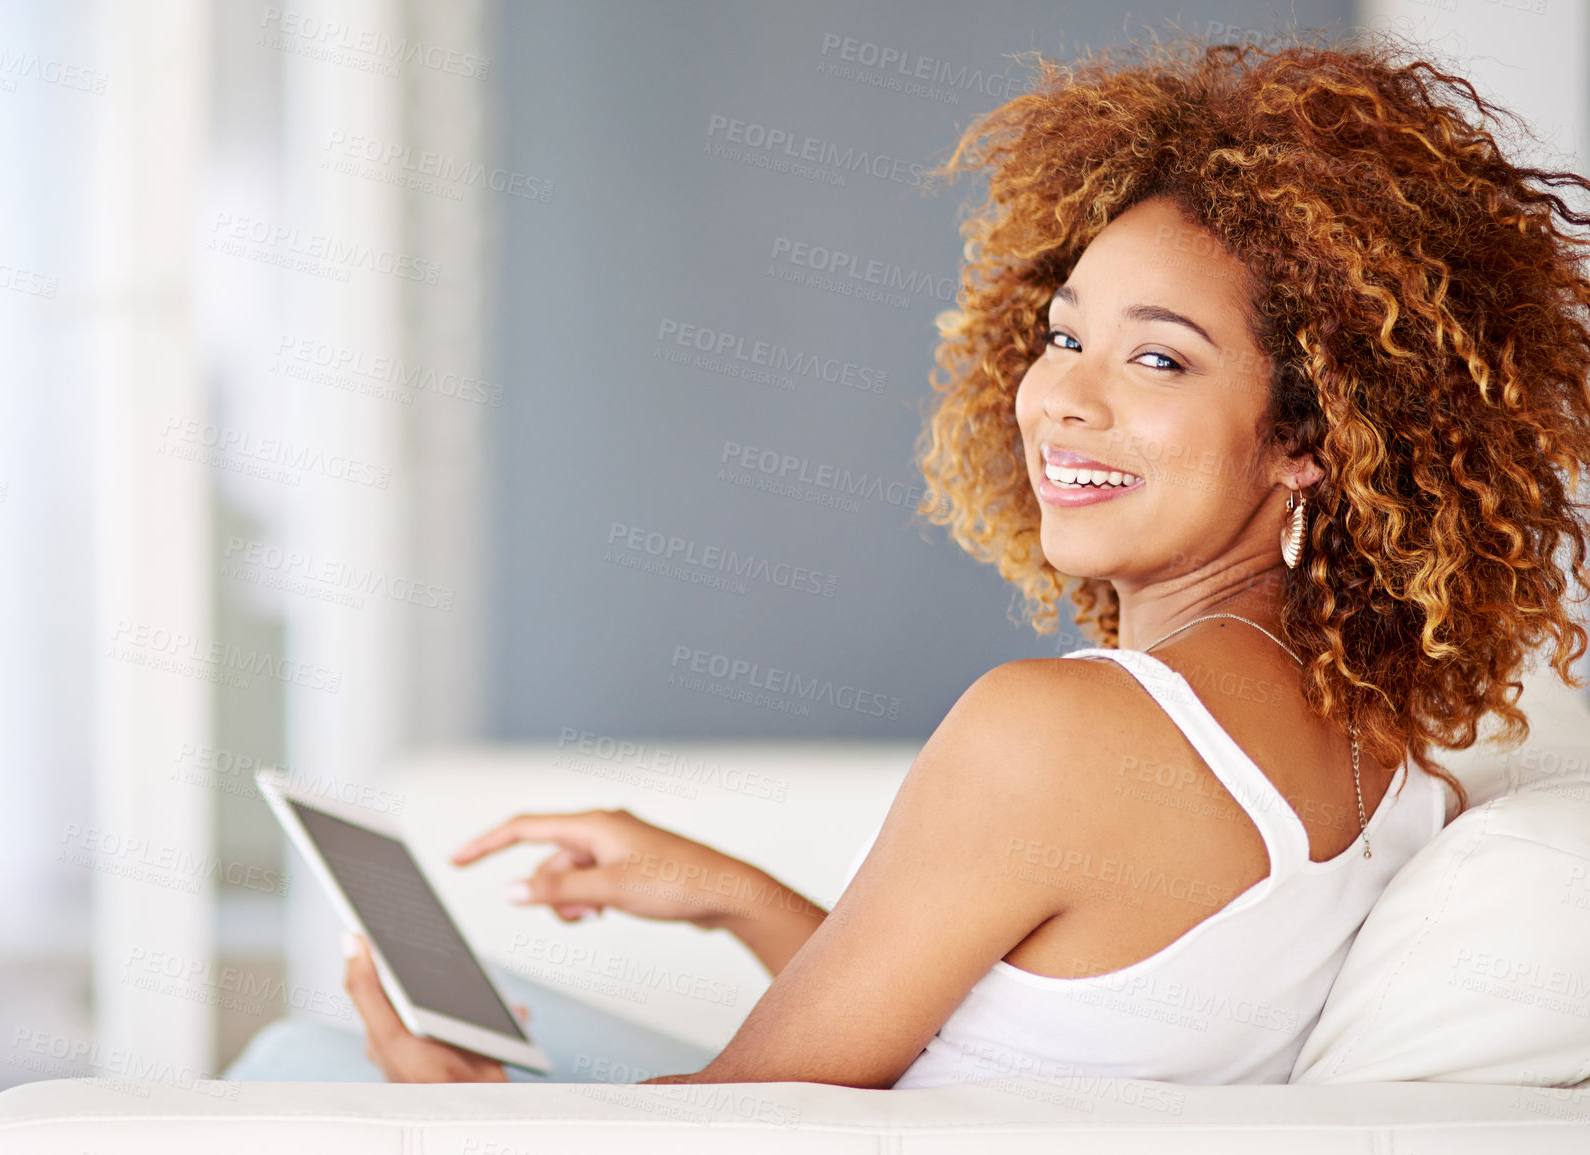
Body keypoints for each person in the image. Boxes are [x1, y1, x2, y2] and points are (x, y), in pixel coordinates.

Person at [227, 34, 1590, 1089]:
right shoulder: (1390, 758)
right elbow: (1026, 1044)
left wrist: (454, 1124)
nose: (1062, 399)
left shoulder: (1057, 733)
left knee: (314, 1066)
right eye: (1064, 336)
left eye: (1159, 357)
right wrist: (734, 895)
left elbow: (745, 1120)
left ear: (1311, 434)